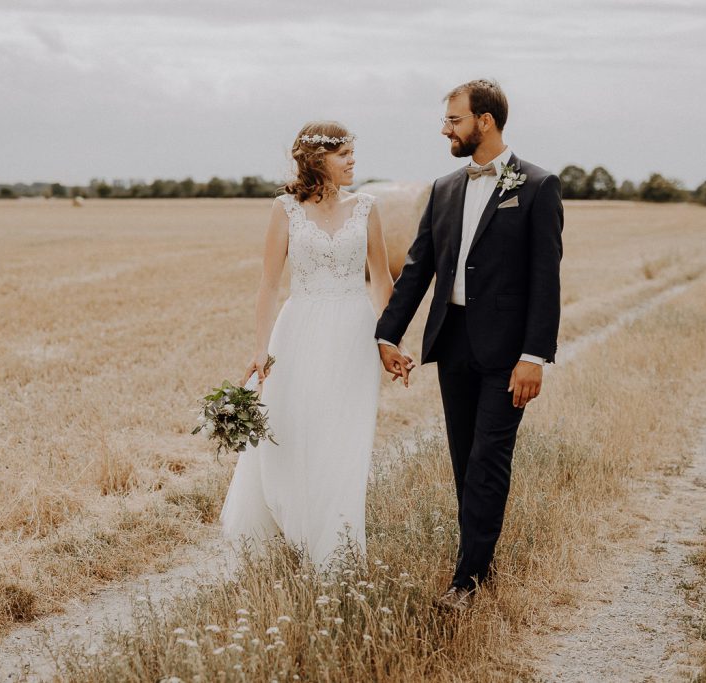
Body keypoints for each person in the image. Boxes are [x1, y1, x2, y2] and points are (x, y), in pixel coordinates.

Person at [376, 79, 563, 611]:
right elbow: (417, 271)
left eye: (453, 120)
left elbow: (545, 279)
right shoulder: (443, 188)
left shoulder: (538, 185)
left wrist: (534, 356)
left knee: (487, 459)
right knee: (464, 462)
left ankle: (466, 583)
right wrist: (387, 333)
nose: (445, 129)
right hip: (452, 343)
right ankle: (480, 559)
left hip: (508, 355)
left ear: (485, 121)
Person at [219, 121, 396, 571]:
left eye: (353, 153)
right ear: (318, 159)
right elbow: (268, 285)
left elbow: (382, 280)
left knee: (344, 439)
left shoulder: (367, 208)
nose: (353, 161)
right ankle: (291, 530)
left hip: (354, 335)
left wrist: (387, 339)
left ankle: (336, 552)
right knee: (292, 430)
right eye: (344, 155)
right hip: (298, 330)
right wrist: (262, 350)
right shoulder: (285, 210)